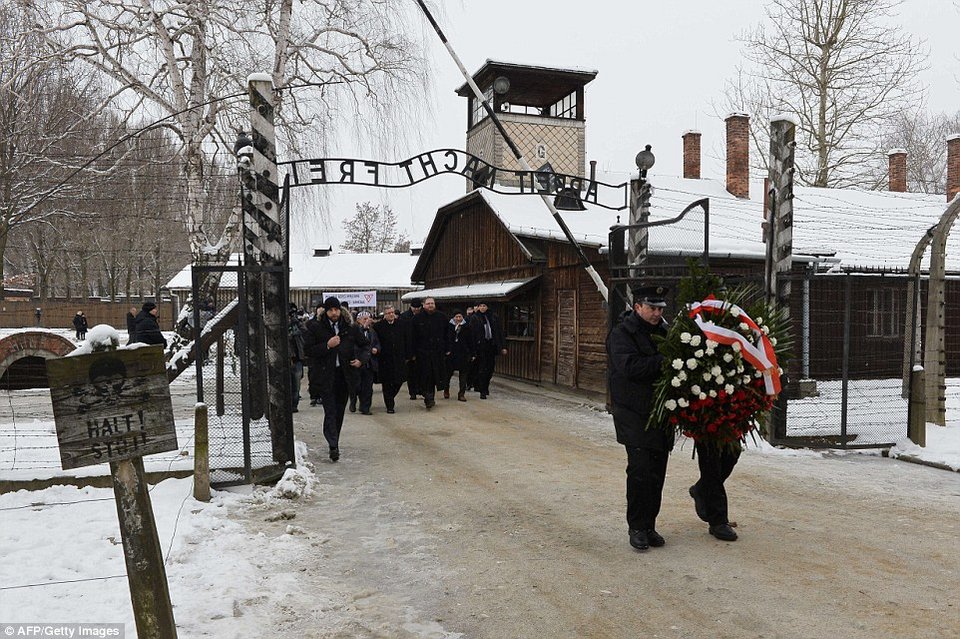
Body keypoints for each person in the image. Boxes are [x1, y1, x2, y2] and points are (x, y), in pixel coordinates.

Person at [605, 284, 672, 552]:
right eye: (652, 308)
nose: (657, 313)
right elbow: (630, 367)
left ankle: (650, 524)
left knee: (657, 472)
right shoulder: (622, 334)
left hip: (660, 413)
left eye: (660, 309)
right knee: (640, 471)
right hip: (632, 412)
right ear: (638, 307)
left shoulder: (665, 333)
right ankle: (636, 526)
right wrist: (663, 360)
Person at [302, 296, 370, 461]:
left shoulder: (350, 327)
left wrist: (361, 360)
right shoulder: (316, 327)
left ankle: (335, 441)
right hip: (326, 376)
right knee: (330, 411)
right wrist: (327, 345)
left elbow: (365, 345)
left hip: (344, 376)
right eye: (331, 310)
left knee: (339, 411)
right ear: (326, 311)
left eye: (336, 309)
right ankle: (333, 445)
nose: (334, 313)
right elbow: (308, 350)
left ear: (340, 310)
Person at [689, 442, 741, 542]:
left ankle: (701, 489)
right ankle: (718, 521)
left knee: (732, 454)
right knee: (711, 462)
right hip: (706, 432)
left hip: (731, 428)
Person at [411, 297, 448, 409]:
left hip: (437, 352)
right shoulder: (417, 319)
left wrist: (447, 348)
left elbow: (447, 334)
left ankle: (430, 397)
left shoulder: (442, 317)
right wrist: (412, 352)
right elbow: (412, 337)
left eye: (432, 303)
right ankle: (426, 395)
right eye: (428, 303)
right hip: (422, 353)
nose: (430, 305)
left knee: (434, 376)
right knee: (423, 375)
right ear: (424, 305)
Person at [374, 306, 408, 414]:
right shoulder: (378, 326)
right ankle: (390, 405)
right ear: (384, 314)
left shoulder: (401, 324)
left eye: (392, 312)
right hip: (385, 359)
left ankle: (390, 396)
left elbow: (406, 339)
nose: (391, 314)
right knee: (387, 383)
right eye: (388, 313)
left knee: (399, 381)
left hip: (399, 357)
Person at [469, 302, 507, 399]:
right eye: (481, 306)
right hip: (481, 346)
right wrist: (473, 349)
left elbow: (499, 332)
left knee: (490, 368)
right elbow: (472, 335)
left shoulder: (493, 317)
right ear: (478, 307)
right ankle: (482, 390)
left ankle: (486, 386)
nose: (482, 308)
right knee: (482, 368)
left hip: (491, 345)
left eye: (484, 306)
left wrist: (503, 346)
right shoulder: (475, 318)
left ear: (487, 307)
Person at [445, 309, 475, 401]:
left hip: (463, 353)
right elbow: (445, 339)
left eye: (460, 317)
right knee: (448, 374)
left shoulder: (467, 327)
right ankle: (446, 389)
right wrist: (446, 350)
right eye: (456, 317)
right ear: (453, 318)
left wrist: (472, 353)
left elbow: (471, 341)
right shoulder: (449, 326)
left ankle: (461, 393)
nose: (458, 318)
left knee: (463, 375)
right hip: (451, 353)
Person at [354, 311, 379, 415]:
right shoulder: (355, 331)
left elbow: (377, 343)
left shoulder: (372, 332)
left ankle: (365, 407)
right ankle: (353, 400)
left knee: (368, 387)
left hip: (369, 363)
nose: (367, 321)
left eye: (368, 319)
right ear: (358, 321)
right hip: (358, 362)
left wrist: (376, 349)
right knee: (357, 386)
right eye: (364, 319)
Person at [399, 298, 423, 399]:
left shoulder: (423, 316)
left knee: (421, 371)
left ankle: (420, 389)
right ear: (411, 307)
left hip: (421, 348)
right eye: (415, 308)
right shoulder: (404, 316)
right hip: (409, 347)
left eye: (418, 308)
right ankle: (412, 392)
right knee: (411, 372)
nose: (416, 310)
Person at [288, 303, 306, 413]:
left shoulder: (297, 324)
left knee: (296, 384)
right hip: (286, 359)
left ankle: (294, 405)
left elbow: (305, 332)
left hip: (297, 359)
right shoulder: (281, 325)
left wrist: (297, 323)